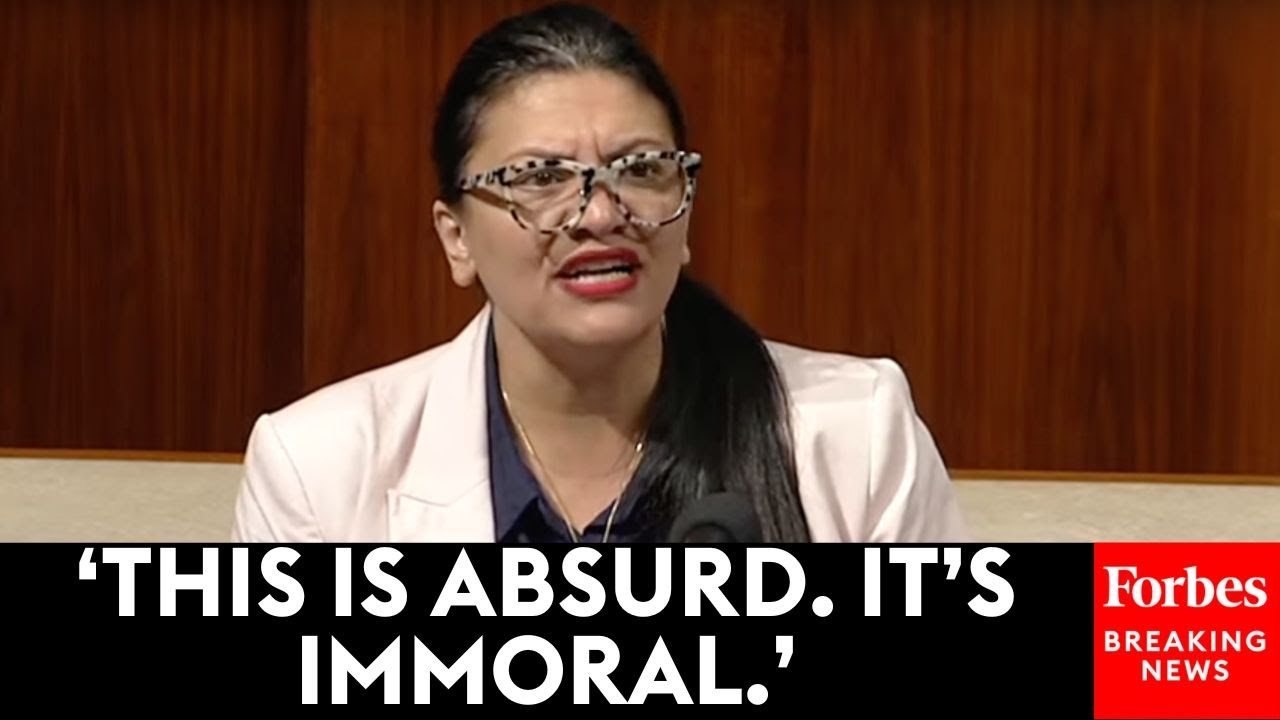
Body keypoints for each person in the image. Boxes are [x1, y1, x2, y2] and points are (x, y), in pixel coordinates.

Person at [230, 3, 969, 544]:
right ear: (456, 239)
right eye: (541, 177)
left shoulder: (855, 433)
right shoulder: (319, 468)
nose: (602, 213)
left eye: (642, 168)